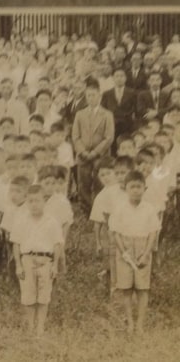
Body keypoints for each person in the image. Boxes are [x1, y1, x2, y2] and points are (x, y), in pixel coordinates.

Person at [109, 170, 160, 334]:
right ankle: (130, 322)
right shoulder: (120, 208)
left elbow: (153, 232)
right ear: (126, 188)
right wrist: (123, 252)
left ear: (145, 188)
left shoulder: (150, 209)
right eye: (132, 187)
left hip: (143, 248)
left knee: (142, 288)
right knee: (126, 287)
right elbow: (115, 232)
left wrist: (146, 253)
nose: (136, 190)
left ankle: (140, 324)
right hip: (125, 248)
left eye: (139, 187)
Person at [10, 184, 63, 336]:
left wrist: (55, 266)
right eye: (31, 201)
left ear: (44, 201)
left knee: (44, 295)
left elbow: (57, 244)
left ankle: (40, 326)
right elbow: (16, 244)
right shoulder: (21, 220)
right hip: (27, 259)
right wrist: (18, 265)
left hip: (46, 261)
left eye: (37, 201)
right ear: (26, 202)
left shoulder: (51, 221)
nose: (34, 204)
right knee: (28, 295)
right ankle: (30, 326)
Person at [72, 78, 115, 212]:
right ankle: (86, 208)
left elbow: (109, 137)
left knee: (99, 182)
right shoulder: (80, 114)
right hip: (83, 154)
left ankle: (99, 209)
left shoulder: (107, 115)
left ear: (100, 96)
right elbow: (75, 136)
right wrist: (83, 151)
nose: (91, 98)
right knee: (83, 182)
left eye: (94, 95)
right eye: (88, 95)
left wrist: (95, 152)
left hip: (99, 154)